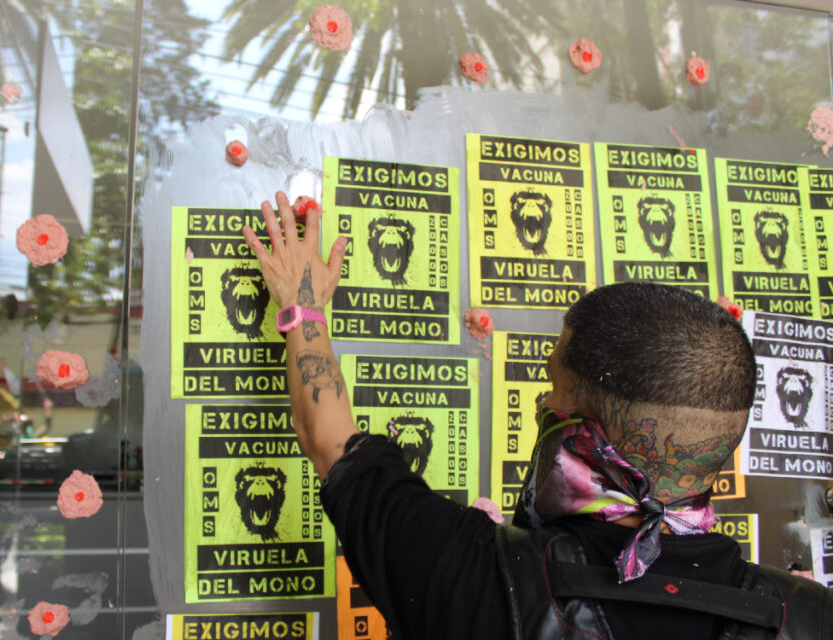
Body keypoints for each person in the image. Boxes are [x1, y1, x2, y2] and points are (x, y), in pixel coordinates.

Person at [242, 192, 831, 639]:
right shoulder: (809, 617)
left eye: (554, 389)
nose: (540, 404)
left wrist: (302, 301)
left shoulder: (482, 579)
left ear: (587, 441)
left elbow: (329, 440)